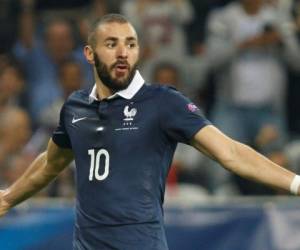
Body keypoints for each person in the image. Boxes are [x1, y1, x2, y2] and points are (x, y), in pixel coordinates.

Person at [0, 14, 300, 250]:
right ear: (89, 54)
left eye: (130, 44)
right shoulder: (75, 108)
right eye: (112, 44)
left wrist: (295, 183)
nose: (123, 53)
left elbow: (231, 153)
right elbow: (51, 163)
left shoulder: (163, 102)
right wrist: (9, 198)